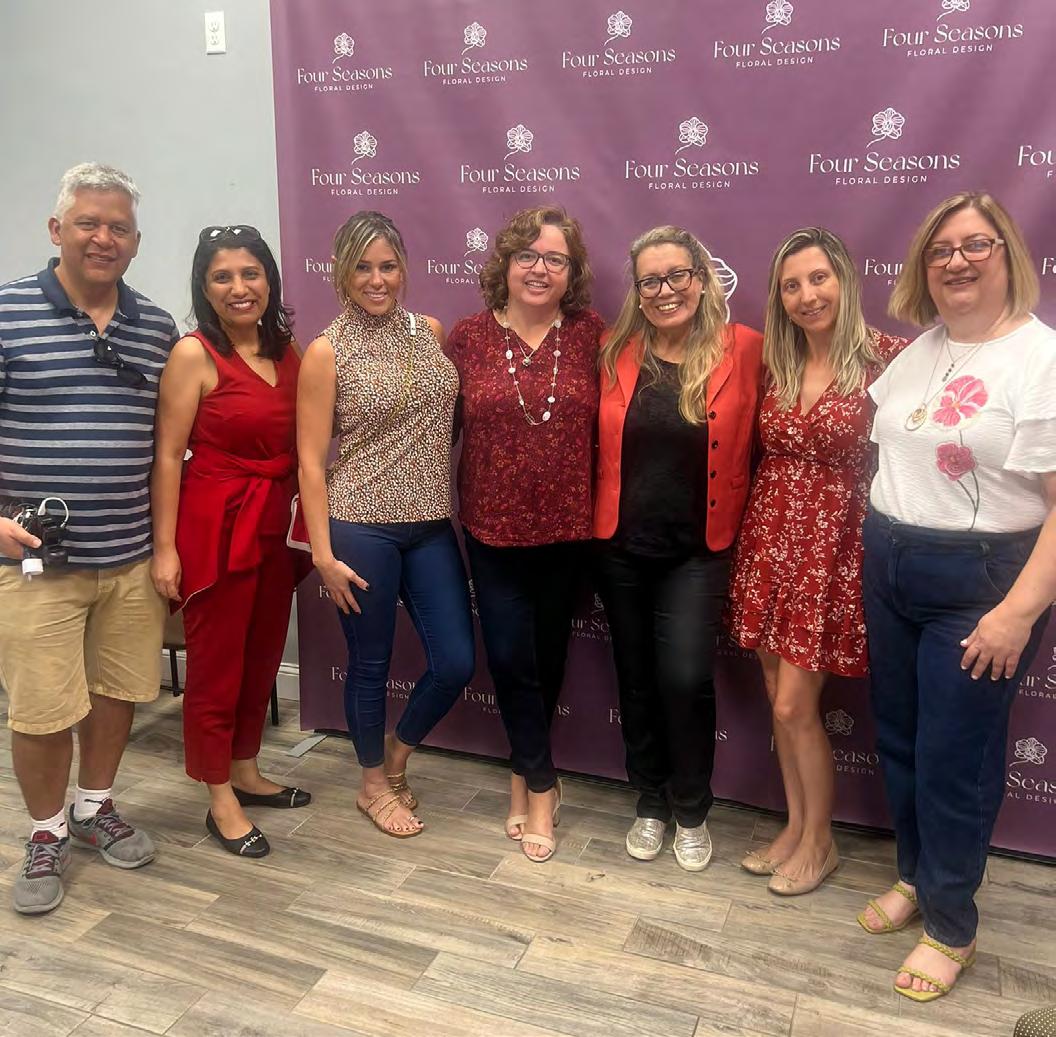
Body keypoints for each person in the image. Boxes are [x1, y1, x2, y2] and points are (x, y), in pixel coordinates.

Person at [857, 192, 1056, 1002]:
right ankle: (915, 874)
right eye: (941, 250)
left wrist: (1017, 611)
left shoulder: (1039, 359)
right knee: (901, 739)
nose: (956, 261)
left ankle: (951, 923)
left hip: (981, 585)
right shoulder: (925, 348)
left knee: (954, 759)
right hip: (891, 563)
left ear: (1008, 253)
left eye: (976, 244)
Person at [0, 163, 177, 914]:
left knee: (117, 692)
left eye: (118, 227)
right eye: (88, 223)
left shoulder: (158, 328)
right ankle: (46, 831)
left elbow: (168, 446)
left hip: (130, 556)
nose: (103, 238)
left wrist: (165, 546)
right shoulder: (6, 312)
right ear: (56, 230)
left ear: (135, 241)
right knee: (42, 709)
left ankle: (94, 805)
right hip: (35, 562)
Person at [727, 228, 904, 895]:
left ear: (845, 280)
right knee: (778, 700)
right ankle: (797, 828)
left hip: (833, 551)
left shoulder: (889, 360)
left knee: (796, 702)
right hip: (769, 539)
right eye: (792, 285)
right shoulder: (777, 360)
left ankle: (821, 842)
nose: (807, 295)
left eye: (819, 278)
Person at [297, 210, 474, 838]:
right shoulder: (325, 351)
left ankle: (397, 755)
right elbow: (310, 461)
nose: (377, 279)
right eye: (363, 268)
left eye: (388, 266)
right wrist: (322, 554)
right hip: (360, 525)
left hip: (431, 524)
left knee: (455, 662)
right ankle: (372, 786)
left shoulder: (430, 332)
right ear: (341, 274)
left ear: (404, 269)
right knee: (370, 663)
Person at [593, 225, 763, 872]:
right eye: (650, 280)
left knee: (686, 678)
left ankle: (691, 807)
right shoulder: (615, 350)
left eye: (676, 276)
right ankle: (650, 801)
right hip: (621, 548)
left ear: (701, 278)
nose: (665, 290)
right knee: (635, 679)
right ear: (637, 290)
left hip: (698, 551)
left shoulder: (745, 348)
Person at [448, 206, 604, 863]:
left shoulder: (594, 335)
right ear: (505, 265)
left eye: (555, 259)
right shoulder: (468, 337)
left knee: (548, 657)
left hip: (569, 531)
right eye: (527, 256)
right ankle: (541, 787)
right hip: (492, 529)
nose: (540, 269)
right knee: (510, 659)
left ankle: (522, 772)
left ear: (572, 272)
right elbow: (437, 429)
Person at [151, 225, 309, 859]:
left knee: (261, 656)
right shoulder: (193, 355)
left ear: (269, 279)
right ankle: (219, 793)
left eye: (250, 273)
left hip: (275, 526)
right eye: (222, 277)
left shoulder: (289, 350)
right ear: (205, 287)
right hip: (215, 528)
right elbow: (167, 457)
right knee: (216, 667)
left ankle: (245, 767)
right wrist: (166, 549)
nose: (239, 288)